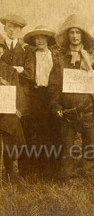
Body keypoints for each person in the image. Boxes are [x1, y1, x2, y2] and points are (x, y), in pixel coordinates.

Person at [48, 14, 94, 180]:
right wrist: (55, 105)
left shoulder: (93, 57)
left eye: (78, 33)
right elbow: (53, 85)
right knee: (68, 144)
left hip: (88, 109)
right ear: (67, 36)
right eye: (71, 33)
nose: (75, 36)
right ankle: (68, 175)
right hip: (67, 111)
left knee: (89, 143)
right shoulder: (60, 60)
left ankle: (88, 174)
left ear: (83, 35)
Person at [0, 14, 34, 176]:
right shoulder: (1, 47)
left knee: (20, 134)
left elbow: (29, 74)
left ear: (21, 30)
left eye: (16, 28)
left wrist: (13, 70)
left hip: (21, 98)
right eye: (9, 26)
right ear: (5, 27)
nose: (12, 30)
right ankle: (7, 171)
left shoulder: (26, 50)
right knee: (6, 135)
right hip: (3, 99)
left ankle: (22, 172)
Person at [23, 25, 58, 177]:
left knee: (52, 130)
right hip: (36, 95)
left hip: (52, 95)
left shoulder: (55, 55)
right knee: (37, 131)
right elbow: (27, 73)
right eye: (37, 38)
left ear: (48, 40)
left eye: (43, 38)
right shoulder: (31, 55)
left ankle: (51, 168)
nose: (40, 41)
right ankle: (37, 167)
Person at [0, 59, 25, 181]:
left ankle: (10, 174)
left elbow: (16, 91)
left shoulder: (10, 71)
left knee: (9, 139)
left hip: (6, 109)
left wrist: (4, 83)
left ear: (2, 51)